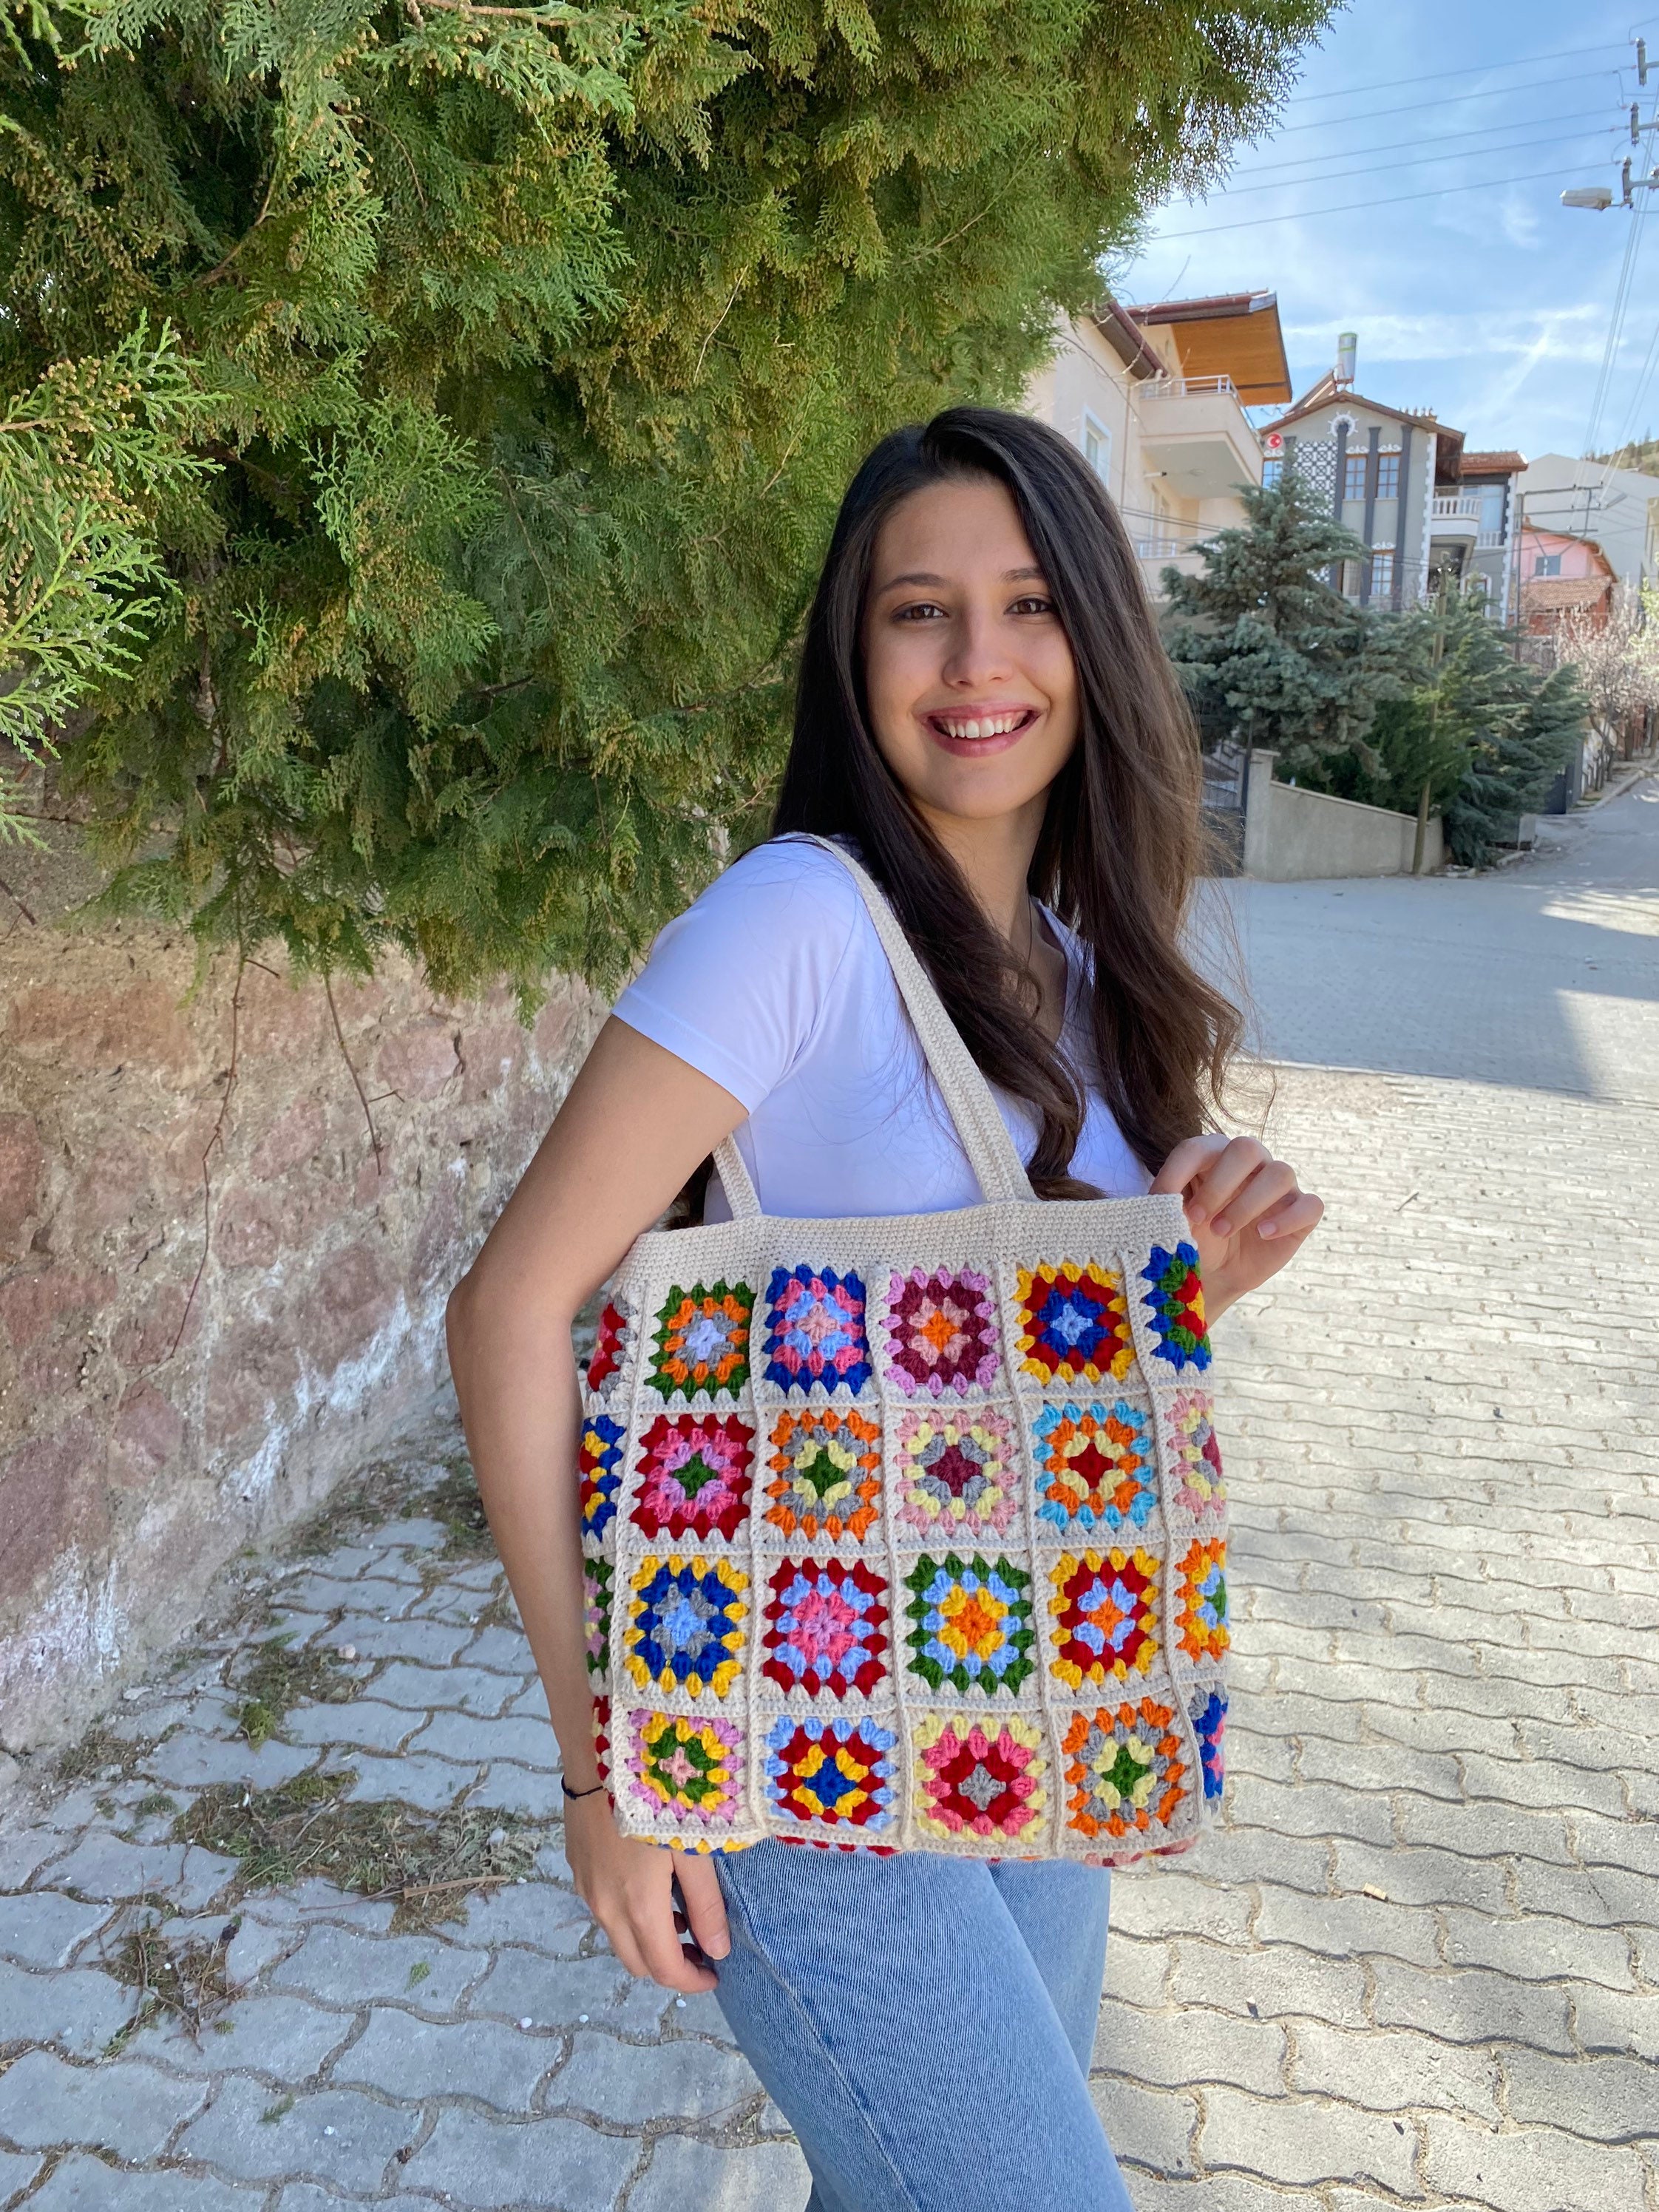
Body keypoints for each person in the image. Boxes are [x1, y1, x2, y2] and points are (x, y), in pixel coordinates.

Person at [446, 406, 1324, 2211]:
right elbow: (513, 1306)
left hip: (1027, 1692)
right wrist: (602, 1769)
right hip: (791, 1733)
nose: (979, 661)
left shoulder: (1084, 971)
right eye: (920, 610)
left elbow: (997, 1370)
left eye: (1027, 604)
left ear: (1097, 638)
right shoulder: (800, 920)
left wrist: (1187, 1287)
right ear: (857, 654)